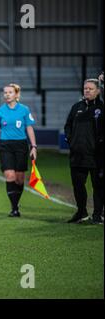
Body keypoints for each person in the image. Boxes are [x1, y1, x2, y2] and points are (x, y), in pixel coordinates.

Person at [0, 83, 37, 217]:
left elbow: (29, 128)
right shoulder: (0, 111)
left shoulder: (24, 110)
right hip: (5, 145)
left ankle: (16, 202)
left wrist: (34, 146)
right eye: (5, 92)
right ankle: (14, 208)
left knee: (20, 179)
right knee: (10, 176)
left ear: (17, 94)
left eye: (10, 92)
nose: (7, 95)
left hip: (21, 145)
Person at [64, 78, 104, 224]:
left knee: (98, 186)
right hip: (77, 155)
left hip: (96, 156)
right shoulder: (76, 107)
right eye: (85, 88)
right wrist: (70, 139)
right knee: (78, 185)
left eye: (90, 88)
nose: (87, 90)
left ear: (98, 91)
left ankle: (98, 214)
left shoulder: (101, 107)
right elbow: (67, 125)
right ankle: (81, 212)